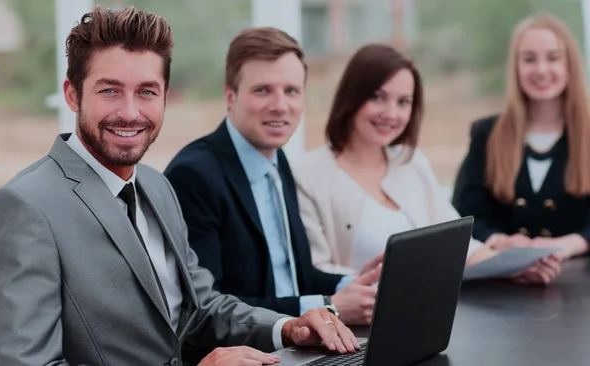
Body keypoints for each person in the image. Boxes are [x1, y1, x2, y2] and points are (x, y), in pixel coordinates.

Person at [0, 7, 360, 366]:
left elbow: (200, 310)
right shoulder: (24, 208)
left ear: (166, 96)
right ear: (72, 94)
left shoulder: (156, 185)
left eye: (147, 92)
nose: (130, 112)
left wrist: (287, 327)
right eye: (110, 91)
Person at [164, 27, 382, 327]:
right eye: (262, 90)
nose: (280, 106)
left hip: (300, 343)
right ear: (231, 96)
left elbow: (292, 279)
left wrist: (354, 284)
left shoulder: (278, 160)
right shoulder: (194, 176)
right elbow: (206, 309)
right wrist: (330, 307)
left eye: (291, 91)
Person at [292, 43, 561, 286]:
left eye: (403, 102)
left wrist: (516, 266)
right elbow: (314, 272)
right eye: (378, 97)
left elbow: (459, 246)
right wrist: (358, 282)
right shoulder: (308, 174)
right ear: (352, 96)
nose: (391, 114)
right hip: (361, 325)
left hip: (432, 312)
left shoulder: (411, 162)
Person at [452, 13, 590, 262]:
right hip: (503, 285)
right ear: (515, 67)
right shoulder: (487, 134)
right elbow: (463, 213)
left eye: (553, 58)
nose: (541, 70)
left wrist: (571, 243)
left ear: (570, 64)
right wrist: (497, 240)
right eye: (529, 59)